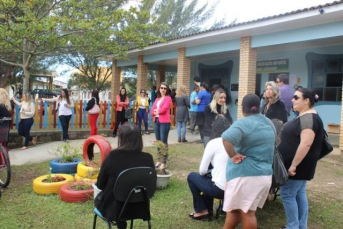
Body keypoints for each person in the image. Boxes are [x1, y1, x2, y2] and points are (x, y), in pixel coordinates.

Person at [221, 94, 275, 229]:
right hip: (264, 175)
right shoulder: (269, 122)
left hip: (246, 175)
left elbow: (226, 139)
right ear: (259, 107)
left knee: (247, 213)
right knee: (234, 210)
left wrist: (233, 155)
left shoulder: (243, 123)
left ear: (242, 107)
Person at [278, 88, 323, 229]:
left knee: (287, 195)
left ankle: (293, 226)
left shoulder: (309, 119)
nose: (292, 100)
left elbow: (306, 143)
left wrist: (293, 165)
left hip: (298, 168)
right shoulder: (306, 116)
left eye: (296, 97)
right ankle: (300, 226)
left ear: (306, 101)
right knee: (298, 194)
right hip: (299, 167)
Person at [95, 124, 154, 229]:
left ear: (121, 138)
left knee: (100, 197)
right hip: (140, 207)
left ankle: (121, 224)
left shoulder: (112, 157)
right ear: (139, 139)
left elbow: (100, 185)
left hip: (114, 209)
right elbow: (151, 186)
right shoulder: (148, 158)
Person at [187, 116, 231, 221]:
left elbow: (202, 170)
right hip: (236, 188)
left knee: (192, 177)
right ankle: (210, 209)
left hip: (220, 189)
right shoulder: (235, 142)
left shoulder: (214, 143)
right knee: (209, 177)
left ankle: (201, 210)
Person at [150, 82, 172, 169]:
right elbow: (152, 109)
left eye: (164, 88)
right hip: (157, 121)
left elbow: (164, 108)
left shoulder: (168, 98)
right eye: (161, 88)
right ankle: (159, 160)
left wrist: (157, 111)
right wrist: (154, 112)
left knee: (163, 142)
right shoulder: (157, 99)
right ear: (159, 89)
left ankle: (164, 162)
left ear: (167, 90)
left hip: (165, 122)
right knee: (158, 142)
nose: (163, 90)